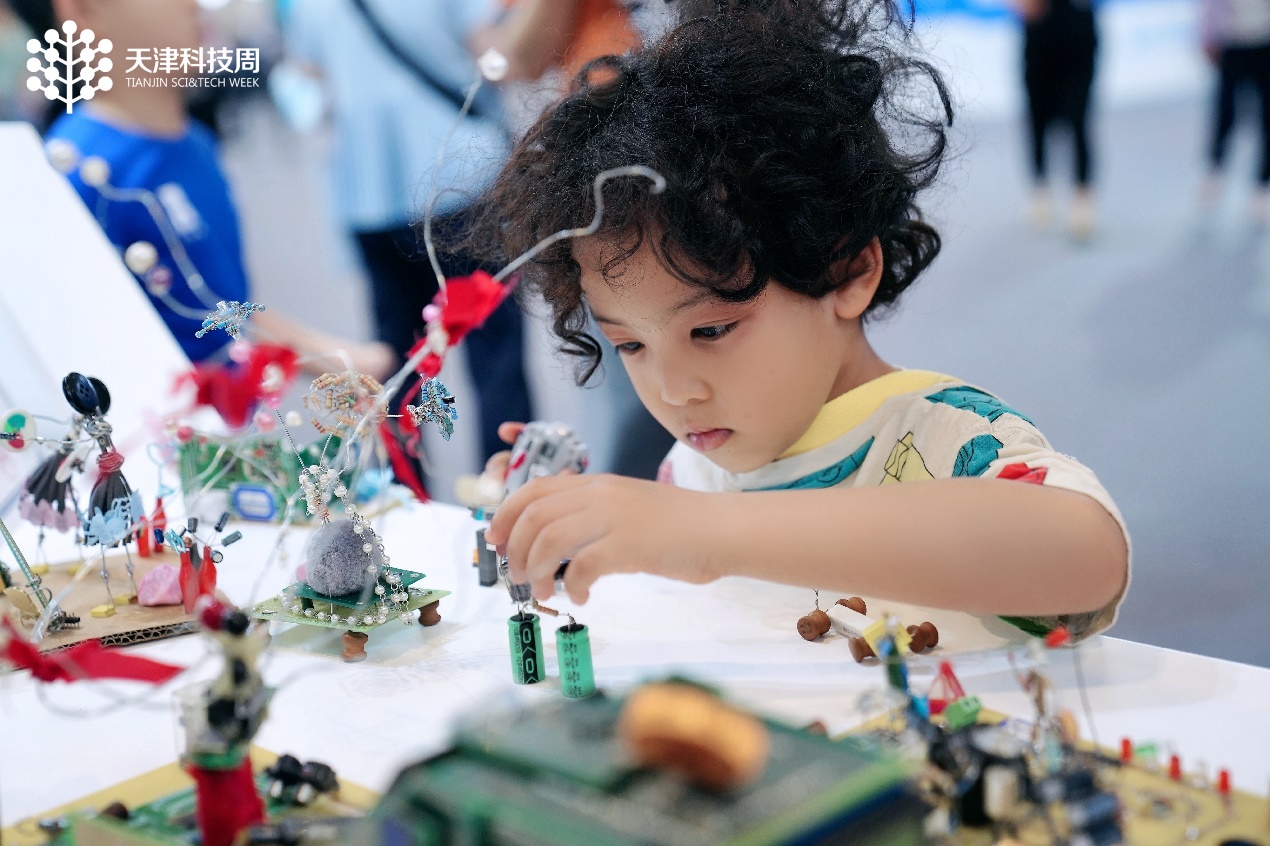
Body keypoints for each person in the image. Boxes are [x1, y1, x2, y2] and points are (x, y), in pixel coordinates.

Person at [476, 0, 1130, 640]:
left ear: (846, 271)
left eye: (711, 330)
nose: (674, 391)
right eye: (630, 345)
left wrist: (702, 532)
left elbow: (1087, 556)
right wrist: (574, 524)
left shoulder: (944, 438)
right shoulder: (696, 469)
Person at [7, 0, 394, 376]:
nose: (191, 5)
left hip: (235, 416)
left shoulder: (195, 143)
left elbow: (216, 306)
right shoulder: (75, 176)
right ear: (83, 10)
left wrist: (338, 358)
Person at [285, 0, 543, 464]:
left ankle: (404, 487)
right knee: (495, 353)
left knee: (396, 361)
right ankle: (505, 485)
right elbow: (499, 59)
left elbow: (308, 74)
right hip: (461, 179)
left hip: (371, 189)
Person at [1016, 0, 1098, 239]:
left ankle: (1082, 196)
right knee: (1036, 117)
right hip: (1040, 32)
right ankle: (1040, 189)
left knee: (1079, 118)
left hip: (1077, 28)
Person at [1201, 0, 1270, 219]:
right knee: (1225, 111)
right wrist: (1208, 35)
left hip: (1264, 42)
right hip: (1232, 42)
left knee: (1267, 118)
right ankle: (1215, 167)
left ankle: (1262, 184)